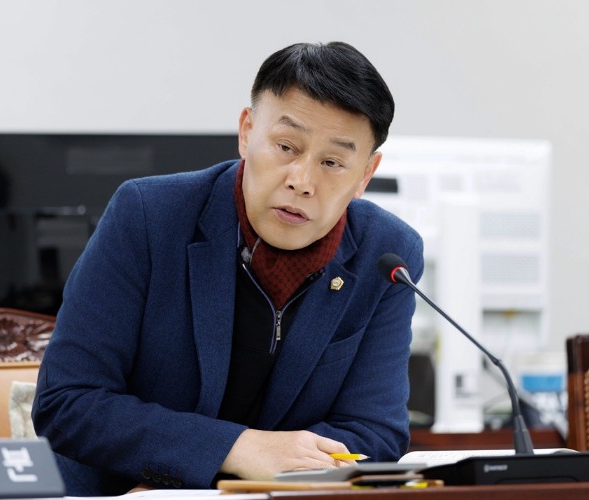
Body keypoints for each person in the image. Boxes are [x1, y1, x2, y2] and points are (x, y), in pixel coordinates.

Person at [32, 41, 424, 496]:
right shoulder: (147, 215)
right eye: (285, 146)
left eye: (333, 162)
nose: (302, 181)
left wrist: (246, 481)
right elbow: (67, 403)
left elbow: (374, 432)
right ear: (246, 131)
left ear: (365, 174)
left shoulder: (387, 254)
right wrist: (236, 449)